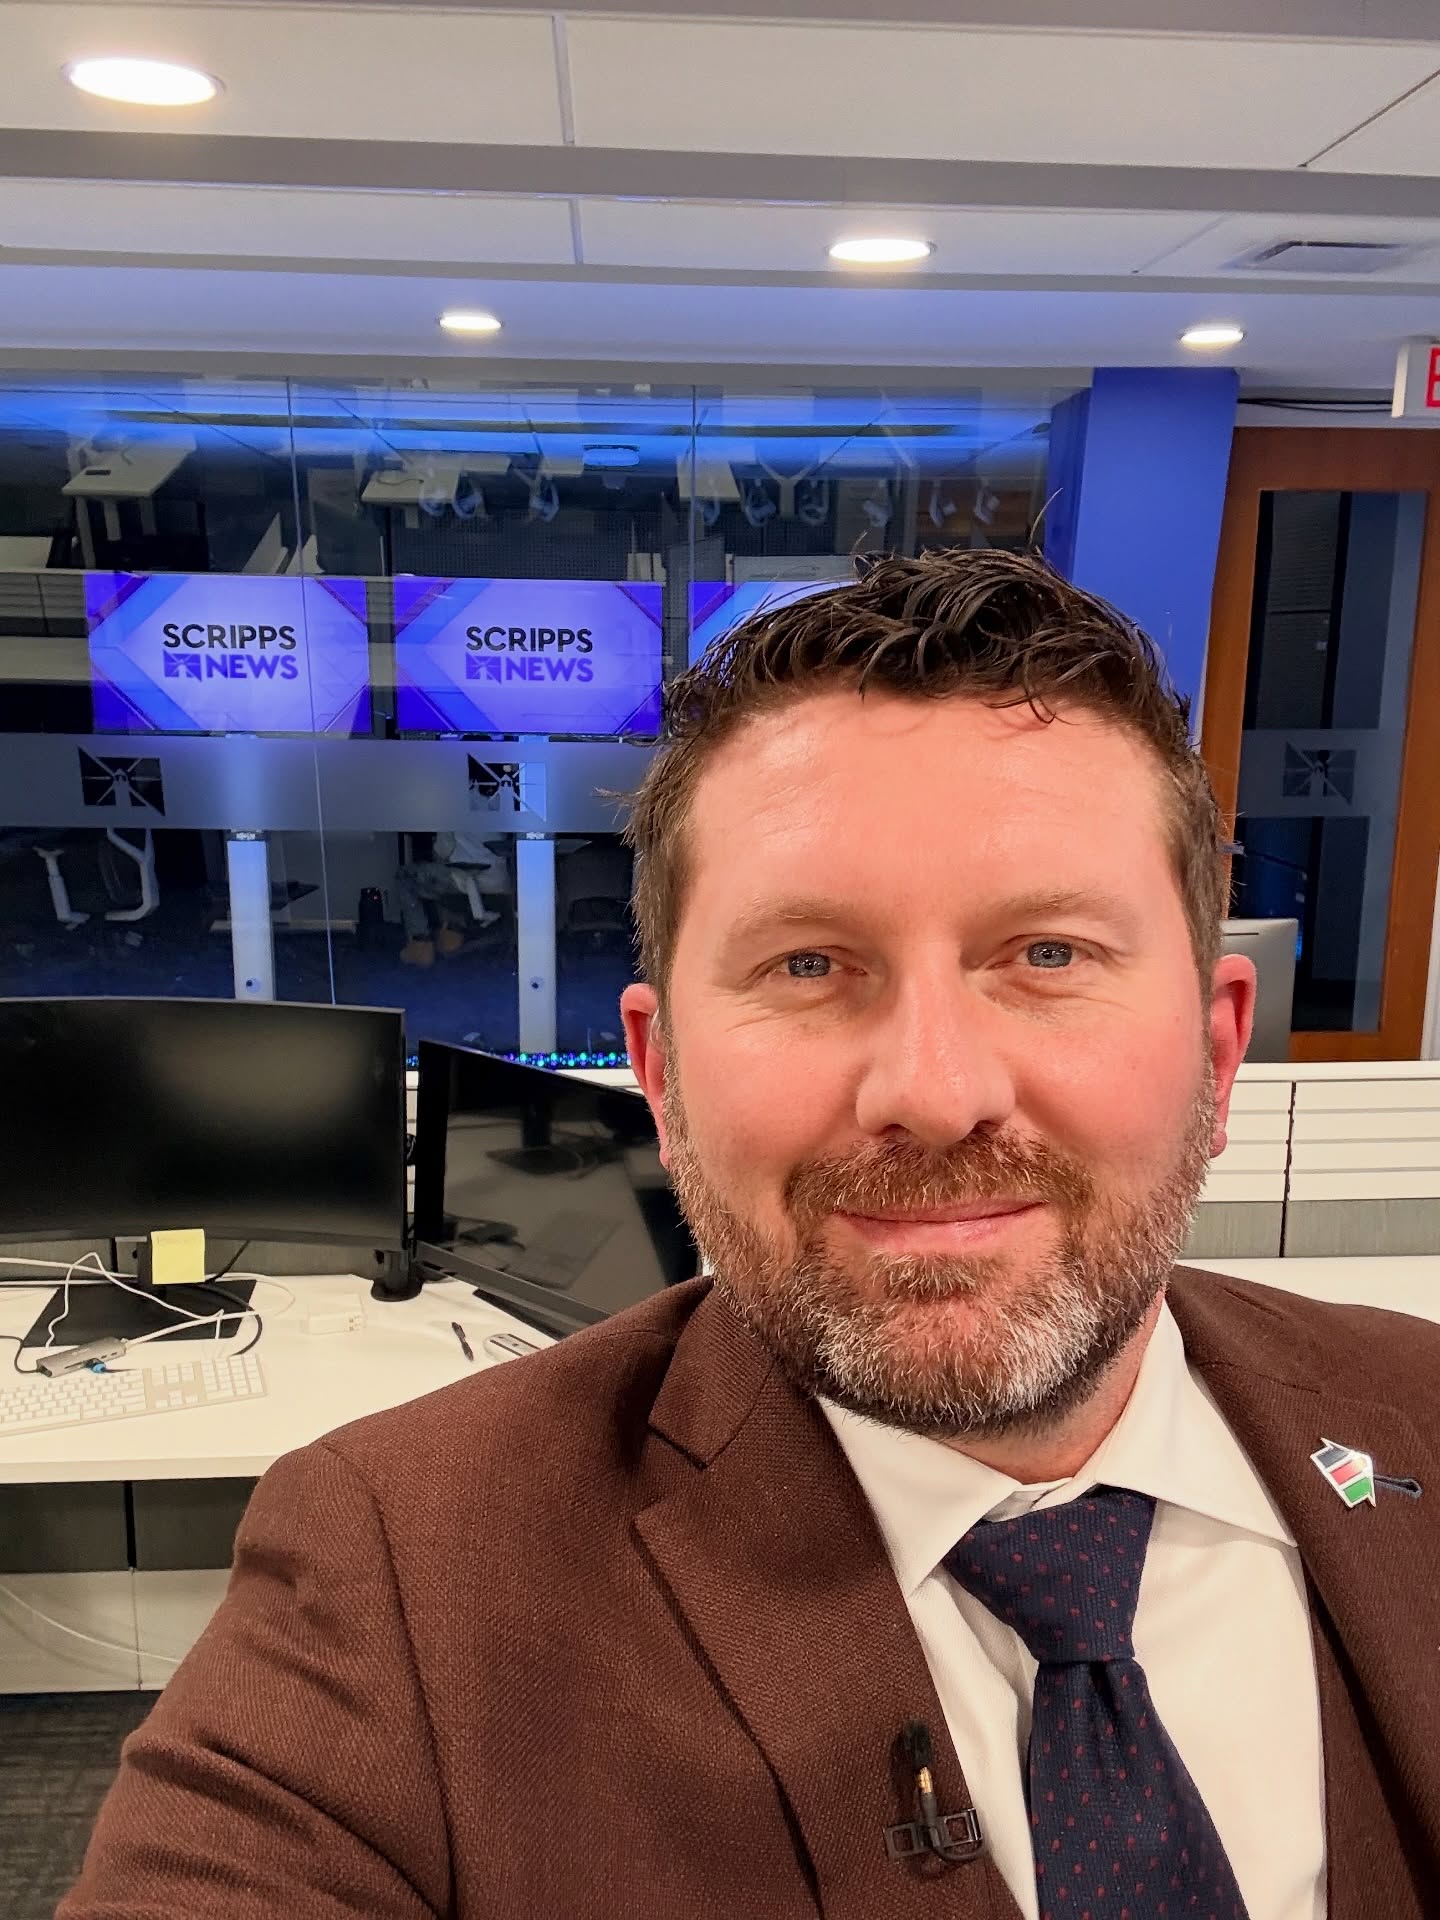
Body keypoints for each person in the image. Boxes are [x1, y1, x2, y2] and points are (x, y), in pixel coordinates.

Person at [59, 550, 1440, 1920]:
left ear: (1218, 1053)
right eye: (809, 965)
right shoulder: (401, 1577)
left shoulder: (1419, 1414)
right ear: (661, 1080)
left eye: (1049, 955)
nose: (934, 1093)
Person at [395, 830, 501, 967]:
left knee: (406, 875)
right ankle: (452, 932)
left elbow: (443, 848)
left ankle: (420, 943)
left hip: (468, 877)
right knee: (445, 873)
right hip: (500, 877)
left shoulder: (453, 815)